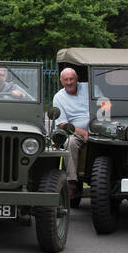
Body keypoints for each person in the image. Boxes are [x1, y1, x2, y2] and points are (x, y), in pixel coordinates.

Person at [52, 67, 90, 195]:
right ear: (61, 81)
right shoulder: (58, 97)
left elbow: (104, 103)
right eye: (66, 80)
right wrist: (83, 133)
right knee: (70, 143)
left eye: (71, 79)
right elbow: (62, 124)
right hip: (76, 132)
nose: (69, 82)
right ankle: (72, 182)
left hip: (98, 128)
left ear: (77, 78)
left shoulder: (88, 88)